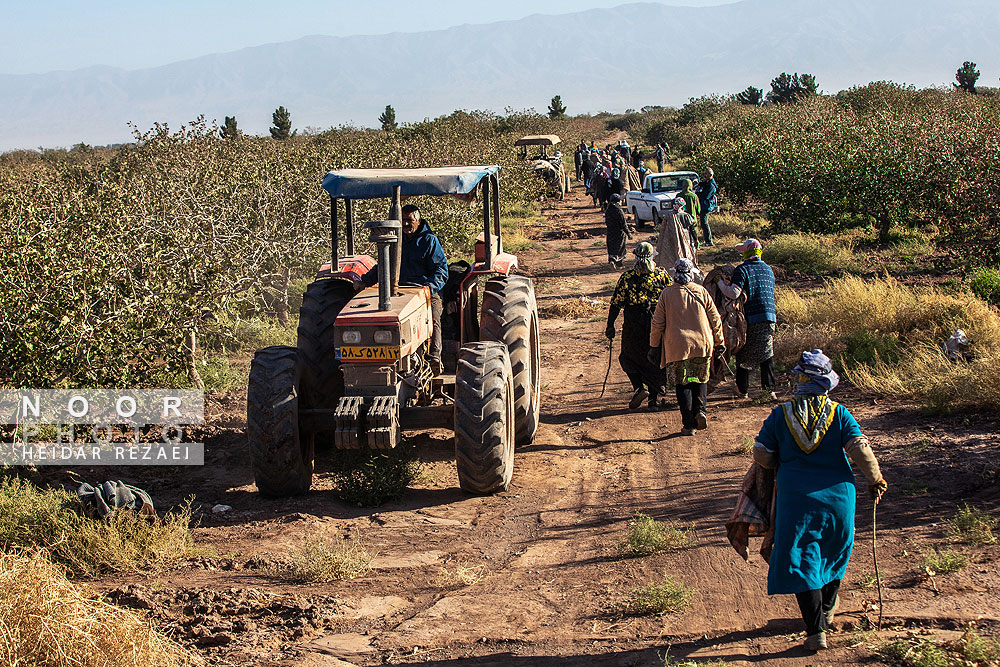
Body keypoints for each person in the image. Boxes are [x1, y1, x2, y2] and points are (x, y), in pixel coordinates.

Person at [752, 349, 887, 652]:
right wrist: (875, 479)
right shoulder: (839, 414)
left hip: (796, 501)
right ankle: (826, 609)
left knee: (802, 559)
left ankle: (816, 631)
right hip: (838, 500)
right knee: (834, 552)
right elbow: (859, 448)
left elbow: (762, 453)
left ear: (800, 381)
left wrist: (778, 461)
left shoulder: (781, 414)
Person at [361, 204, 449, 374]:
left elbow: (441, 271)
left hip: (423, 290)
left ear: (418, 221)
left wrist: (429, 288)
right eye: (403, 220)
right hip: (398, 290)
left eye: (410, 220)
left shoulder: (429, 241)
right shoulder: (395, 240)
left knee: (433, 315)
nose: (406, 224)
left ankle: (435, 356)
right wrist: (364, 281)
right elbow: (383, 265)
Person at [648, 258, 725, 436]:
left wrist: (653, 346)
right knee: (700, 379)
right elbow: (715, 319)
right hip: (701, 344)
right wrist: (720, 342)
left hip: (677, 347)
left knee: (682, 384)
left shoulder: (666, 294)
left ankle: (689, 425)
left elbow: (657, 323)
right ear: (691, 273)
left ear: (675, 273)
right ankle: (701, 411)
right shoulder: (701, 291)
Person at [606, 242, 672, 410]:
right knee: (655, 358)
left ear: (635, 256)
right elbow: (674, 297)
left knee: (628, 357)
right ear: (652, 257)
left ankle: (638, 388)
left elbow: (616, 303)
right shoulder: (661, 276)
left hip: (634, 323)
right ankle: (653, 400)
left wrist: (610, 325)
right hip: (657, 322)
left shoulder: (627, 277)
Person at [716, 238, 776, 399]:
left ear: (747, 253)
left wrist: (720, 283)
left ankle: (742, 389)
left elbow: (733, 293)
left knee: (744, 351)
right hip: (769, 316)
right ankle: (769, 390)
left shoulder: (743, 270)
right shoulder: (768, 269)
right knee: (767, 352)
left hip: (751, 316)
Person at [656, 197, 698, 272]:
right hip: (687, 238)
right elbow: (692, 229)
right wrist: (696, 239)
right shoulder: (686, 215)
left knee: (674, 253)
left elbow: (663, 230)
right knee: (687, 253)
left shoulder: (669, 216)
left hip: (672, 238)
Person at [605, 193, 632, 268]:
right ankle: (619, 264)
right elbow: (623, 224)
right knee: (620, 248)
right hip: (619, 233)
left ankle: (612, 260)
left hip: (610, 232)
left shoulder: (608, 210)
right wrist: (628, 233)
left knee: (612, 248)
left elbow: (606, 222)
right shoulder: (618, 211)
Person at [694, 168, 717, 246]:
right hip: (703, 205)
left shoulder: (711, 186)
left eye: (706, 174)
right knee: (703, 223)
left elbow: (706, 196)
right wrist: (698, 183)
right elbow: (703, 184)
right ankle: (707, 240)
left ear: (711, 175)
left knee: (704, 223)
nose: (705, 175)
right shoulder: (707, 183)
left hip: (706, 206)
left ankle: (709, 241)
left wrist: (697, 194)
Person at [679, 179, 701, 247]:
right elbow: (698, 209)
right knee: (693, 234)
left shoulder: (679, 195)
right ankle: (695, 245)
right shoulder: (693, 196)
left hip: (681, 219)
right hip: (692, 218)